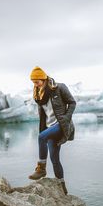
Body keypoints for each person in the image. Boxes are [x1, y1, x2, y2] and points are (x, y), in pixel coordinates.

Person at [28, 66, 76, 194]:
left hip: (60, 124)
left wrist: (66, 118)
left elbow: (72, 103)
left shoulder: (59, 87)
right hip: (50, 127)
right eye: (33, 82)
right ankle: (62, 186)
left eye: (36, 81)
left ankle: (41, 168)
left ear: (43, 79)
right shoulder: (38, 94)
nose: (35, 84)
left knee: (41, 137)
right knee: (55, 160)